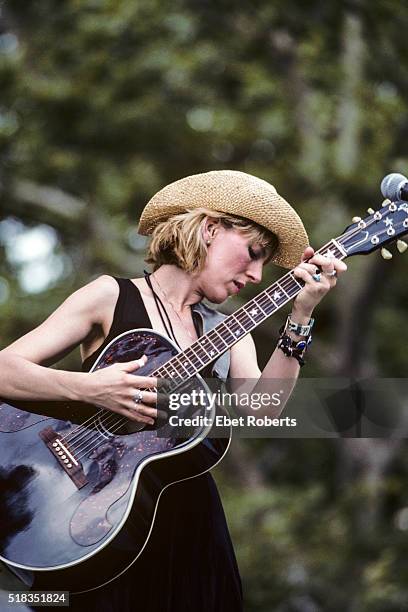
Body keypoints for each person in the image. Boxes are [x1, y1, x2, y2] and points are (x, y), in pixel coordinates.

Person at [0, 170, 346, 611]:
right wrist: (92, 388)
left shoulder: (230, 332)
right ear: (209, 229)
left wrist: (301, 316)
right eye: (253, 253)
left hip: (190, 532)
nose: (258, 274)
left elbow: (261, 410)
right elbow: (4, 368)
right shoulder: (110, 297)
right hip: (93, 520)